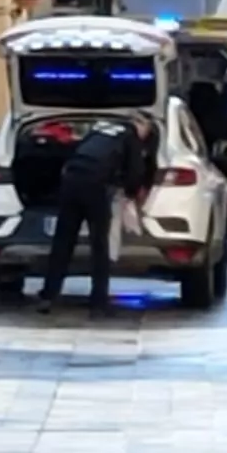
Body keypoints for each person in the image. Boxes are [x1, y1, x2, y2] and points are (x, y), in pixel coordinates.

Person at [38, 115, 157, 315]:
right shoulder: (130, 135)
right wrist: (131, 194)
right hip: (96, 185)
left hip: (71, 179)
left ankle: (48, 296)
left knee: (63, 242)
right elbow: (135, 171)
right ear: (142, 126)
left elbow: (74, 150)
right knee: (100, 245)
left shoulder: (99, 128)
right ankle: (98, 302)